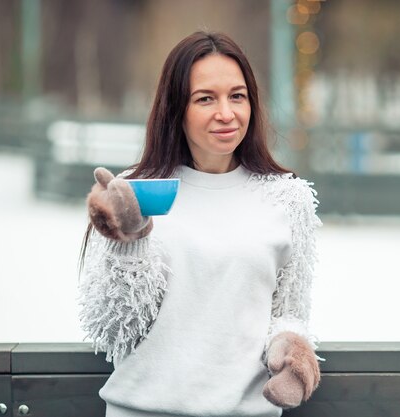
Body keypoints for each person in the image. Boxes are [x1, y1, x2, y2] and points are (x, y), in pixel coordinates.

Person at [77, 31, 322, 417]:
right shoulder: (133, 192)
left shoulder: (289, 198)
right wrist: (130, 239)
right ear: (177, 109)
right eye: (206, 98)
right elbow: (113, 329)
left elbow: (287, 312)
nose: (226, 112)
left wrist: (290, 348)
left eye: (237, 96)